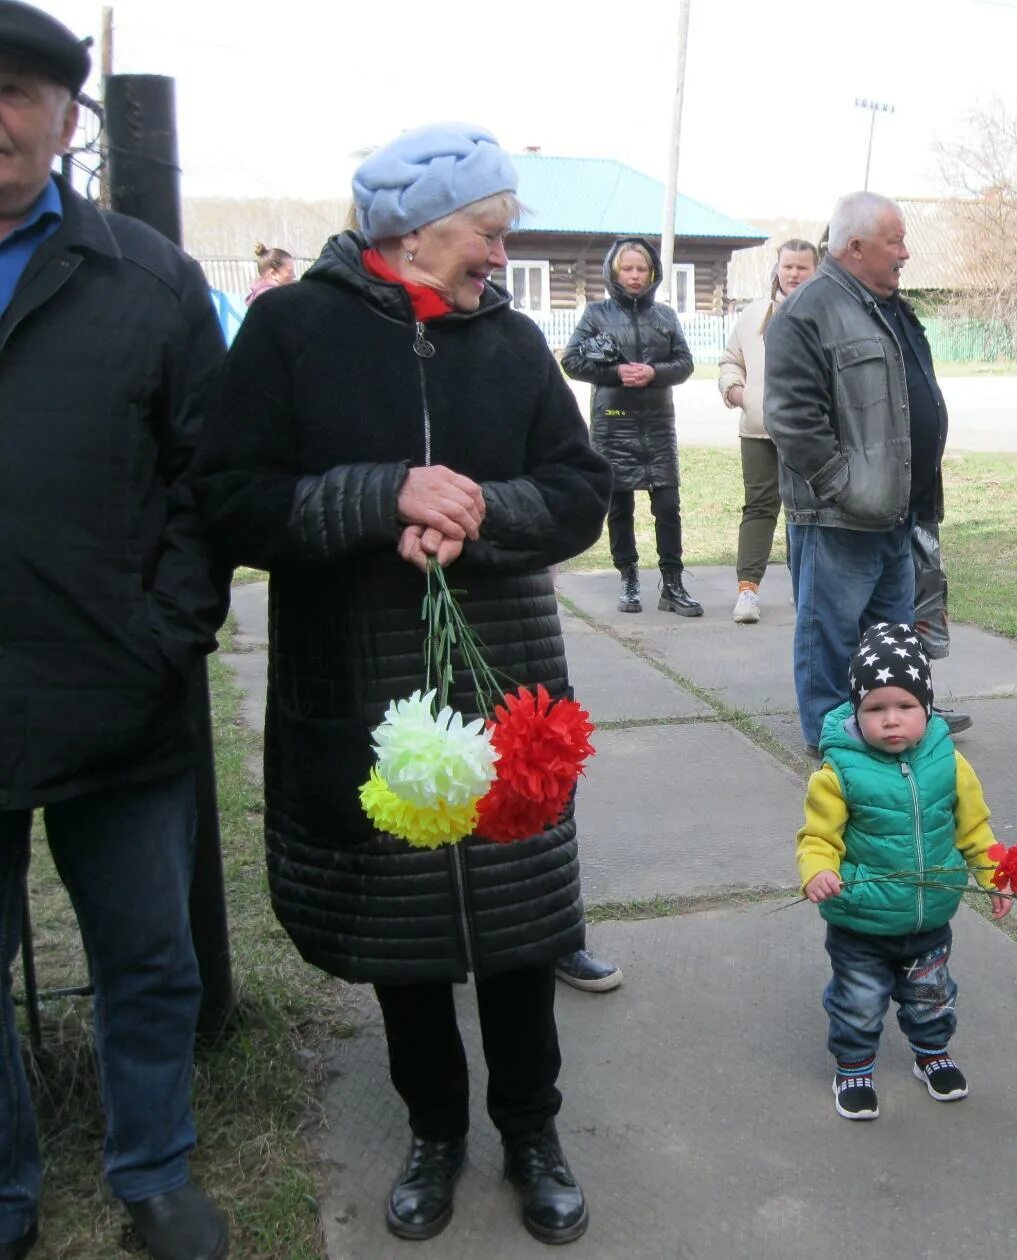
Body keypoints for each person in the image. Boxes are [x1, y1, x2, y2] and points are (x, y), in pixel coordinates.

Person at [195, 123, 611, 1246]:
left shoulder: (515, 340)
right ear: (416, 229)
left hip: (504, 686)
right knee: (402, 939)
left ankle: (532, 1131)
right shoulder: (290, 329)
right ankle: (435, 1132)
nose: (501, 251)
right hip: (361, 690)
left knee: (523, 933)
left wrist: (477, 512)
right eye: (489, 230)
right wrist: (382, 497)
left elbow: (579, 493)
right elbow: (230, 497)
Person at [0, 6, 231, 1258]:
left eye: (21, 90)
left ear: (66, 121)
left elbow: (211, 481)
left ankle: (154, 1172)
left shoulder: (146, 277)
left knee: (147, 957)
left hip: (116, 687)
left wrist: (166, 636)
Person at [765, 192, 965, 755]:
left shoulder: (887, 304)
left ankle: (886, 726)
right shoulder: (808, 310)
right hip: (840, 519)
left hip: (896, 516)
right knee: (827, 639)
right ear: (855, 247)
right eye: (894, 241)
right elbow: (793, 419)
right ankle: (830, 742)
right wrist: (843, 488)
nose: (906, 252)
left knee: (892, 641)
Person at [796, 623, 1009, 1121]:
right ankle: (853, 1066)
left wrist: (996, 876)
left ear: (928, 708)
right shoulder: (839, 772)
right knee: (858, 1000)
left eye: (905, 707)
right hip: (860, 920)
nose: (891, 721)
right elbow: (818, 837)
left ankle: (931, 1053)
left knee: (931, 997)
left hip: (928, 918)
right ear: (856, 711)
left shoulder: (949, 764)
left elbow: (973, 828)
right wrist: (817, 872)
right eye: (875, 709)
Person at [561, 238, 700, 617]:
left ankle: (672, 582)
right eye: (628, 269)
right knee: (619, 507)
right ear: (614, 272)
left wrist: (654, 372)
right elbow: (571, 362)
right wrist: (615, 373)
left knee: (668, 506)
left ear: (652, 272)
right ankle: (629, 577)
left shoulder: (666, 317)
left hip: (657, 424)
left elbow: (685, 364)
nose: (635, 276)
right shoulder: (596, 314)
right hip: (613, 425)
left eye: (641, 269)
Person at [719, 238, 818, 624]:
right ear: (777, 269)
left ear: (816, 269)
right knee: (760, 508)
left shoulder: (825, 314)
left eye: (802, 267)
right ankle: (748, 590)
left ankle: (806, 592)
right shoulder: (753, 315)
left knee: (807, 512)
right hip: (758, 430)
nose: (794, 274)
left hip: (809, 434)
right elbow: (730, 361)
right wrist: (737, 392)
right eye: (788, 266)